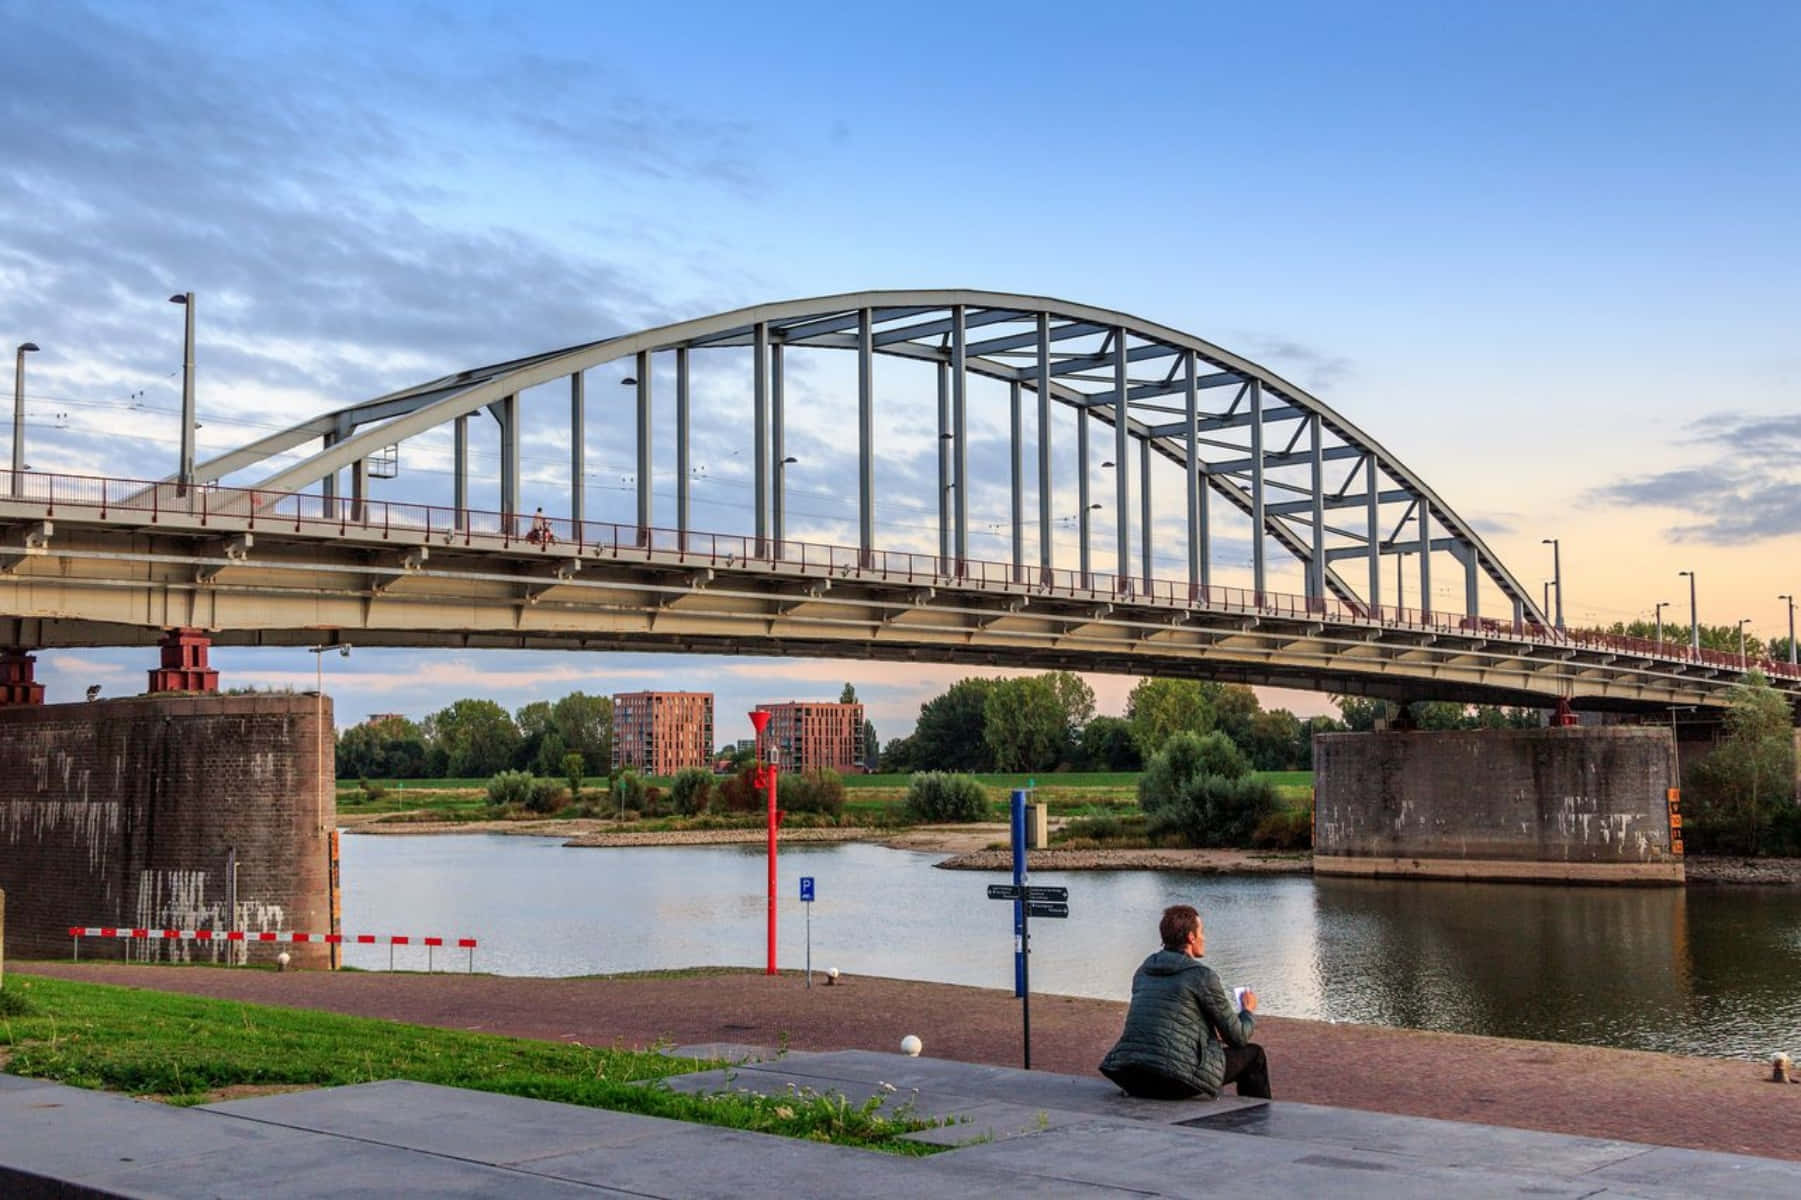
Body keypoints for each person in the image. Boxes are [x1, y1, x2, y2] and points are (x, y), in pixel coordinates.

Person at [1099, 904, 1271, 1100]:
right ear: (1191, 937)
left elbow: (1170, 1019)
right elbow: (1237, 1037)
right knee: (1254, 1055)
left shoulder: (1144, 970)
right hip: (1173, 1079)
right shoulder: (1201, 976)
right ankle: (1258, 1121)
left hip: (1130, 1074)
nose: (1204, 938)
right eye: (1202, 932)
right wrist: (1247, 1011)